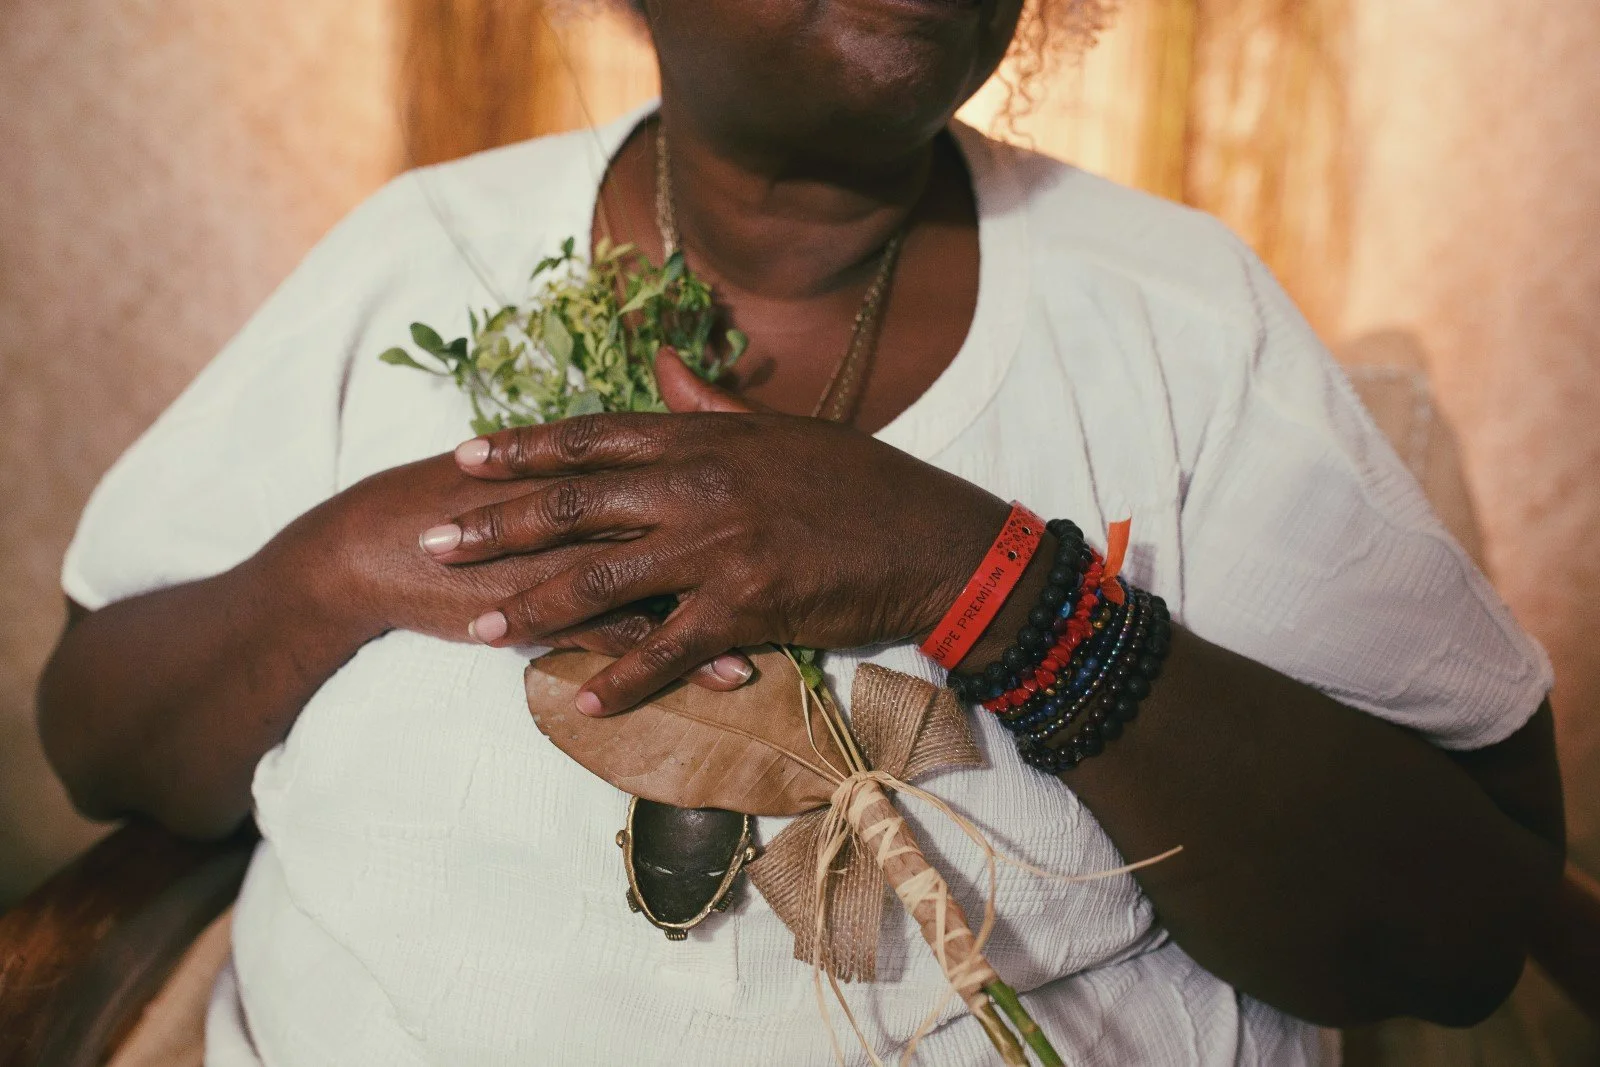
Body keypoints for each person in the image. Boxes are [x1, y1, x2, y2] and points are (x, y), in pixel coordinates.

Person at [37, 1, 1565, 1063]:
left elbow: (1463, 927)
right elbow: (103, 733)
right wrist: (336, 562)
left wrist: (974, 574)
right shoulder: (419, 257)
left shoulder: (1174, 317)